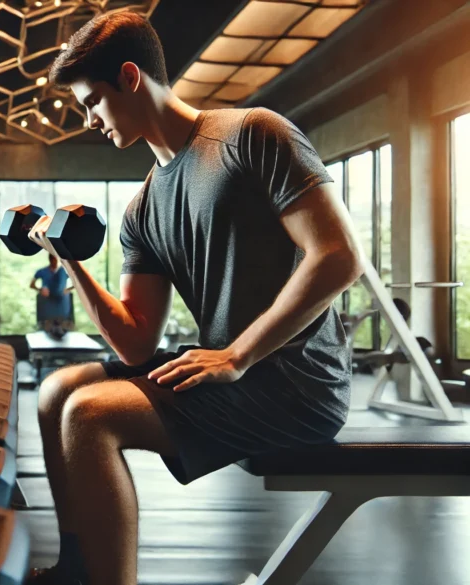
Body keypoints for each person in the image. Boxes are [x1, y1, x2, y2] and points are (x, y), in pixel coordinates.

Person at [26, 12, 363, 585]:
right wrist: (73, 264)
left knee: (90, 415)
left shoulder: (252, 134)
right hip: (232, 373)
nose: (89, 121)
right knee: (57, 390)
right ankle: (79, 569)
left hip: (295, 385)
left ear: (130, 77)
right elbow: (135, 343)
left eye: (92, 103)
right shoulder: (144, 208)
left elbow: (337, 256)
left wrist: (238, 355)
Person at [31, 254, 73, 324]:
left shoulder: (63, 272)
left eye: (56, 259)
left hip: (61, 301)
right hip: (47, 301)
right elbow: (32, 285)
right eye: (53, 259)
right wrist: (40, 290)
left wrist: (68, 289)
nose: (55, 261)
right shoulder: (42, 271)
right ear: (50, 259)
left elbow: (77, 282)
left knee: (62, 321)